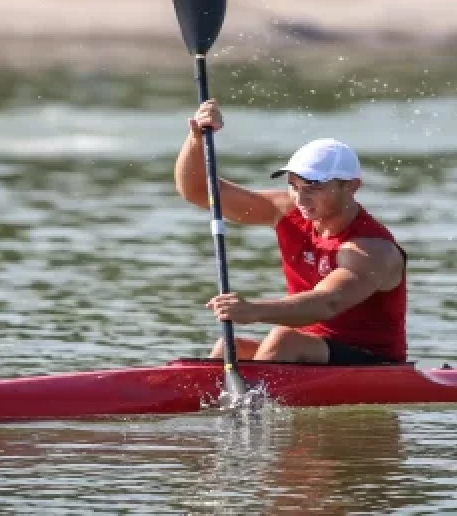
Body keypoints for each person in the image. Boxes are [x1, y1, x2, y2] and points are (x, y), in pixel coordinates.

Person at [174, 99, 408, 365]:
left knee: (283, 339)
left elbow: (327, 303)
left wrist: (252, 310)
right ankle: (213, 404)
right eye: (293, 186)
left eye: (313, 187)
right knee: (231, 347)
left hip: (373, 362)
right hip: (309, 349)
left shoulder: (371, 249)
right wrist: (196, 137)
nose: (300, 198)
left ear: (352, 187)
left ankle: (245, 405)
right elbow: (198, 192)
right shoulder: (285, 212)